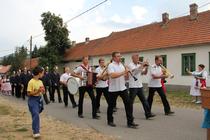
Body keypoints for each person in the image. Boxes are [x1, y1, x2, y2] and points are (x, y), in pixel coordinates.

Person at [107, 52, 138, 128]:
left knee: (129, 104)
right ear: (113, 58)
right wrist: (124, 72)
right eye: (118, 56)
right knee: (111, 106)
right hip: (113, 89)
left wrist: (127, 73)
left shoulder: (122, 65)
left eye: (120, 56)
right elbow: (112, 75)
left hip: (122, 88)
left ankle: (130, 122)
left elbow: (125, 77)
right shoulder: (111, 65)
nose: (120, 57)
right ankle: (110, 121)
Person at [127, 54, 155, 119]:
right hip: (133, 86)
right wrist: (142, 65)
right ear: (133, 59)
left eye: (138, 58)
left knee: (144, 100)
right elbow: (135, 72)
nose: (138, 59)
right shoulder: (130, 65)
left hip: (139, 86)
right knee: (131, 102)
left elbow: (144, 73)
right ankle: (129, 115)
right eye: (136, 58)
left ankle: (148, 114)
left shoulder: (139, 65)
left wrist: (146, 67)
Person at [27, 66, 45, 138]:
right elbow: (28, 93)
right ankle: (36, 132)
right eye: (43, 73)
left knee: (36, 114)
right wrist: (37, 91)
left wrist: (43, 91)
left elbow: (43, 92)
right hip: (32, 100)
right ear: (39, 73)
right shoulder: (31, 82)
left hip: (39, 99)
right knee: (36, 114)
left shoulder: (41, 81)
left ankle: (35, 126)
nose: (43, 74)